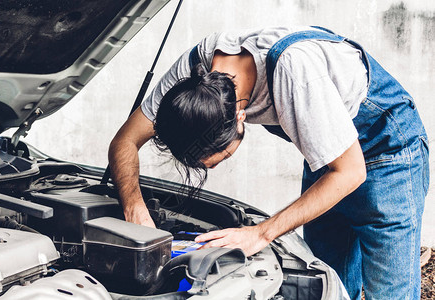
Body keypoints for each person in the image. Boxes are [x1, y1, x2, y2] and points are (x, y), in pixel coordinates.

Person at [108, 26, 429, 300]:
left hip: (389, 152)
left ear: (240, 117)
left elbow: (350, 171)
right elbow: (125, 140)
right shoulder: (196, 72)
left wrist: (260, 234)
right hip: (330, 157)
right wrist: (134, 206)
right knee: (328, 283)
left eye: (220, 159)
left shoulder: (295, 75)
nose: (209, 168)